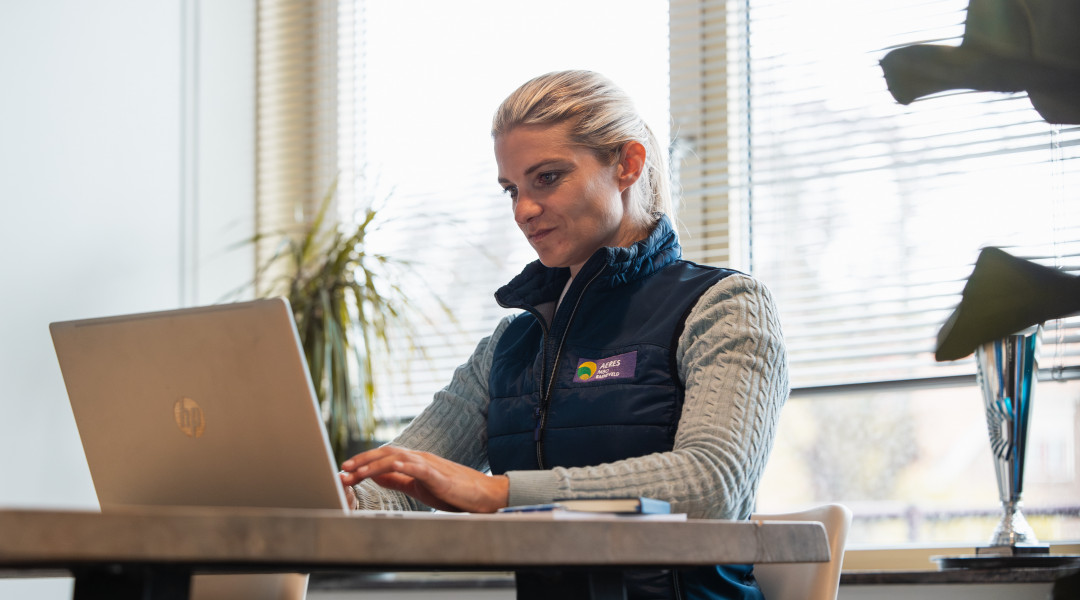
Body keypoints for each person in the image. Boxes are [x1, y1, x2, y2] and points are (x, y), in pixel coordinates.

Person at [338, 70, 788, 600]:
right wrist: (342, 495)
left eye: (547, 178)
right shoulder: (511, 346)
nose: (523, 211)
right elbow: (399, 486)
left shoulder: (724, 306)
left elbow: (714, 484)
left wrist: (501, 493)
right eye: (512, 190)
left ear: (628, 164)